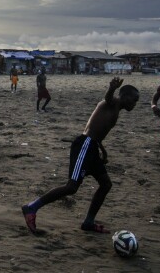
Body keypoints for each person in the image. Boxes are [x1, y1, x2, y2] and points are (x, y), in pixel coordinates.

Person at [22, 77, 139, 235]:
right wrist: (111, 88)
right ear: (124, 96)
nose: (135, 103)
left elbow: (98, 129)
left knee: (106, 184)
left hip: (92, 147)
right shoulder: (111, 102)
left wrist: (102, 151)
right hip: (84, 145)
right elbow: (107, 98)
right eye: (134, 99)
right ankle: (32, 208)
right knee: (71, 187)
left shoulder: (116, 108)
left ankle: (88, 222)